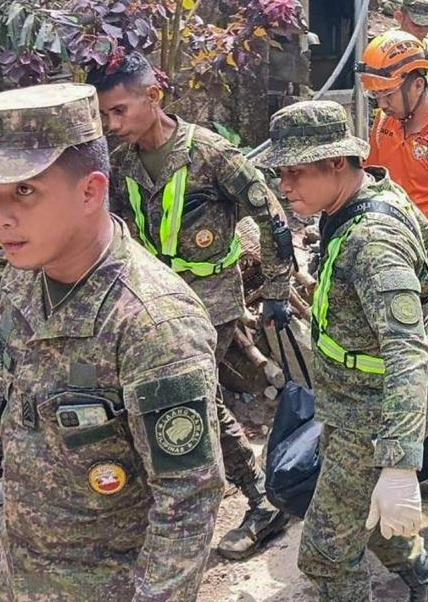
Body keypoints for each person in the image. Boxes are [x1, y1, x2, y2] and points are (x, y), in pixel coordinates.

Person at [0, 84, 224, 599]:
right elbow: (14, 381)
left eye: (25, 191)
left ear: (90, 191)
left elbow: (188, 498)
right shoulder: (26, 272)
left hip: (103, 579)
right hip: (14, 551)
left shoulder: (152, 323)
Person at [256, 101, 428, 602]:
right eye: (280, 172)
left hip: (375, 416)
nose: (284, 186)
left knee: (326, 555)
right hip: (354, 403)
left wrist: (398, 464)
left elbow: (407, 353)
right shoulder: (353, 206)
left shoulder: (372, 241)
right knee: (370, 516)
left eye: (295, 172)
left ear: (336, 165)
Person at [91, 53, 292, 560]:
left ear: (152, 96)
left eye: (119, 111)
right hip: (149, 306)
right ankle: (246, 496)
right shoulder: (122, 163)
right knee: (194, 401)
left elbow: (271, 217)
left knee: (187, 402)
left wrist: (274, 290)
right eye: (105, 116)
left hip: (209, 305)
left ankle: (258, 502)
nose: (112, 125)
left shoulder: (210, 153)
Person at [359, 30, 428, 317]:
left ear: (417, 85)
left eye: (387, 95)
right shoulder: (384, 121)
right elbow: (370, 177)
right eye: (376, 96)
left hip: (425, 250)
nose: (382, 104)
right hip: (385, 235)